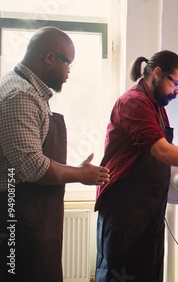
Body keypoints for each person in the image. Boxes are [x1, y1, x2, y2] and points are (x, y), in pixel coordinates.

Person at [95, 50, 178, 282]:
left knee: (147, 272)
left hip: (148, 208)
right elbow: (160, 149)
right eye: (176, 82)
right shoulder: (133, 102)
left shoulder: (156, 107)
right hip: (126, 208)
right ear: (157, 73)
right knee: (121, 274)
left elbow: (162, 149)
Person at [0, 26, 111, 282]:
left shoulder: (33, 92)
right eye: (67, 63)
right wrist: (81, 174)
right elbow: (31, 166)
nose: (69, 71)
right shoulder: (21, 94)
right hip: (20, 217)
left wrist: (76, 170)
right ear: (49, 57)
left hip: (35, 214)